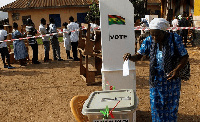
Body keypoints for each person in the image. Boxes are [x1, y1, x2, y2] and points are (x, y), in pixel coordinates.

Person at [124, 18, 189, 122]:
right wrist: (130, 57)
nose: (154, 37)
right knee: (156, 107)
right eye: (152, 34)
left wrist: (177, 69)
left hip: (171, 79)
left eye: (157, 35)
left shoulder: (174, 39)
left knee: (170, 107)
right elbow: (139, 55)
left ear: (164, 32)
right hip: (156, 79)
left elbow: (184, 56)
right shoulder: (149, 40)